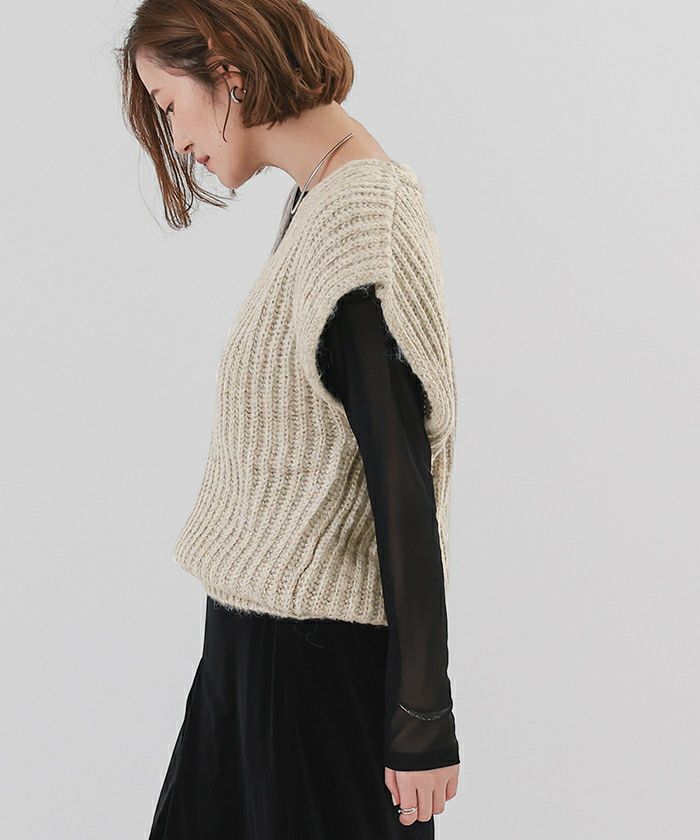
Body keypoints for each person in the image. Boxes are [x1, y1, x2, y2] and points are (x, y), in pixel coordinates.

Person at [116, 2, 460, 837]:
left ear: (225, 66)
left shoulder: (360, 221)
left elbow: (401, 480)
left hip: (309, 677)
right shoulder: (319, 202)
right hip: (253, 655)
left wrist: (422, 713)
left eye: (168, 105)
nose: (178, 140)